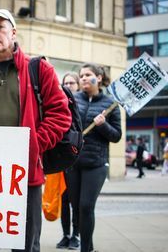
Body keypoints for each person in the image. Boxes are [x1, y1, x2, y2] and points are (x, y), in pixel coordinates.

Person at [0, 8, 72, 252]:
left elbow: (61, 115)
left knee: (26, 246)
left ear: (13, 32)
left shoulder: (39, 69)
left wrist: (33, 145)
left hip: (26, 176)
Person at [68, 63, 121, 252]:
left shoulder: (110, 104)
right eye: (81, 75)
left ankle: (86, 248)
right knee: (76, 208)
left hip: (96, 164)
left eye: (88, 75)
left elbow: (116, 136)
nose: (83, 78)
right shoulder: (73, 99)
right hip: (73, 163)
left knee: (86, 206)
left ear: (98, 78)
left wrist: (103, 125)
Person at [56, 72, 80, 250]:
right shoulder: (61, 102)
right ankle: (65, 235)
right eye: (65, 82)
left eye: (72, 82)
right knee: (63, 200)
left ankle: (76, 235)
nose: (68, 85)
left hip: (80, 159)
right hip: (63, 159)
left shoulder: (82, 102)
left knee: (76, 201)